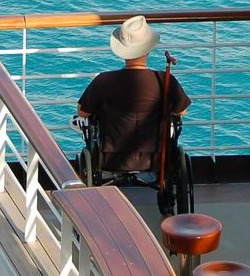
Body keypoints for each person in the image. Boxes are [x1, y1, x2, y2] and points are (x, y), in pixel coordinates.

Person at [76, 15, 190, 172]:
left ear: (123, 52)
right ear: (148, 49)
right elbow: (181, 110)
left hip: (110, 158)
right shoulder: (164, 80)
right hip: (156, 158)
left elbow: (82, 111)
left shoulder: (104, 80)